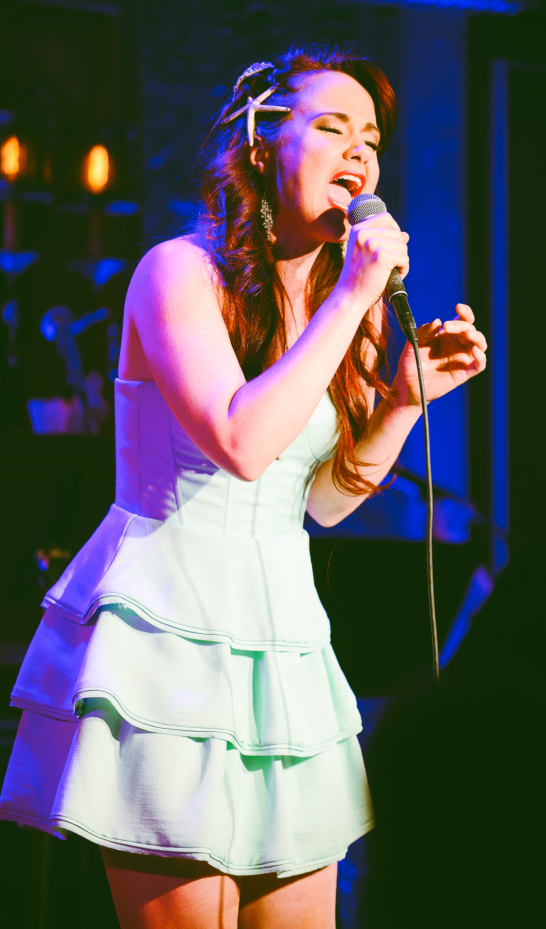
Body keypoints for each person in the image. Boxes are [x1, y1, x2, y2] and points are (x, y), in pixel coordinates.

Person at [0, 46, 486, 928]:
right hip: (168, 632)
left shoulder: (346, 307)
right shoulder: (178, 272)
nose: (360, 155)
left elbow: (323, 500)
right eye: (332, 127)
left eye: (371, 138)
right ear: (263, 145)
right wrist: (353, 297)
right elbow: (239, 441)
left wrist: (404, 404)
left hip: (281, 640)